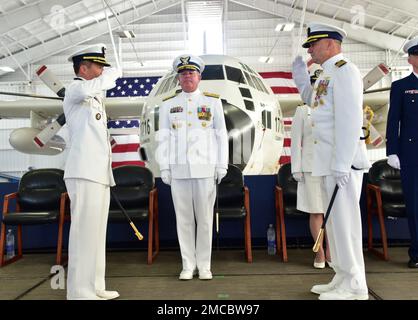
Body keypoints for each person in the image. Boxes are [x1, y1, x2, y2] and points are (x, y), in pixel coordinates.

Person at [292, 22, 370, 300]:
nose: (310, 49)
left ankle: (356, 285)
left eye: (313, 43)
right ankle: (342, 274)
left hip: (342, 163)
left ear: (330, 43)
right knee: (333, 224)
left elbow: (350, 121)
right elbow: (315, 105)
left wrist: (342, 162)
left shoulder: (345, 70)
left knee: (346, 223)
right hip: (327, 162)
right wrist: (301, 79)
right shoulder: (326, 74)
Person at [157, 54, 229, 280]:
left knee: (205, 220)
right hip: (178, 171)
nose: (187, 76)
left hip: (205, 169)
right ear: (178, 79)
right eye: (183, 73)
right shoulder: (168, 105)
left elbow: (221, 136)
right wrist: (164, 167)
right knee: (184, 220)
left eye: (191, 72)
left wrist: (221, 165)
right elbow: (163, 138)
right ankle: (188, 265)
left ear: (199, 76)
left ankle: (205, 265)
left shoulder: (212, 102)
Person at [64, 43, 122, 299]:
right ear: (83, 68)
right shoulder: (76, 88)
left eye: (102, 67)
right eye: (98, 66)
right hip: (83, 171)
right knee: (83, 234)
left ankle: (95, 286)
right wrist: (112, 75)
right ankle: (79, 291)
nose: (101, 71)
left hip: (98, 173)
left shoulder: (95, 96)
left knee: (97, 235)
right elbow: (97, 85)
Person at [290, 72, 331, 269]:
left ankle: (332, 252)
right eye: (315, 85)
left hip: (332, 167)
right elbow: (295, 141)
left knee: (333, 213)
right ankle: (320, 252)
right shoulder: (302, 111)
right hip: (311, 167)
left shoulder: (333, 108)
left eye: (321, 86)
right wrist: (296, 168)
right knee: (316, 213)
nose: (318, 89)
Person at [386, 37, 418, 269]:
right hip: (411, 155)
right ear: (410, 58)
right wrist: (392, 151)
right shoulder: (400, 86)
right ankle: (417, 253)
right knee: (415, 206)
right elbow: (392, 120)